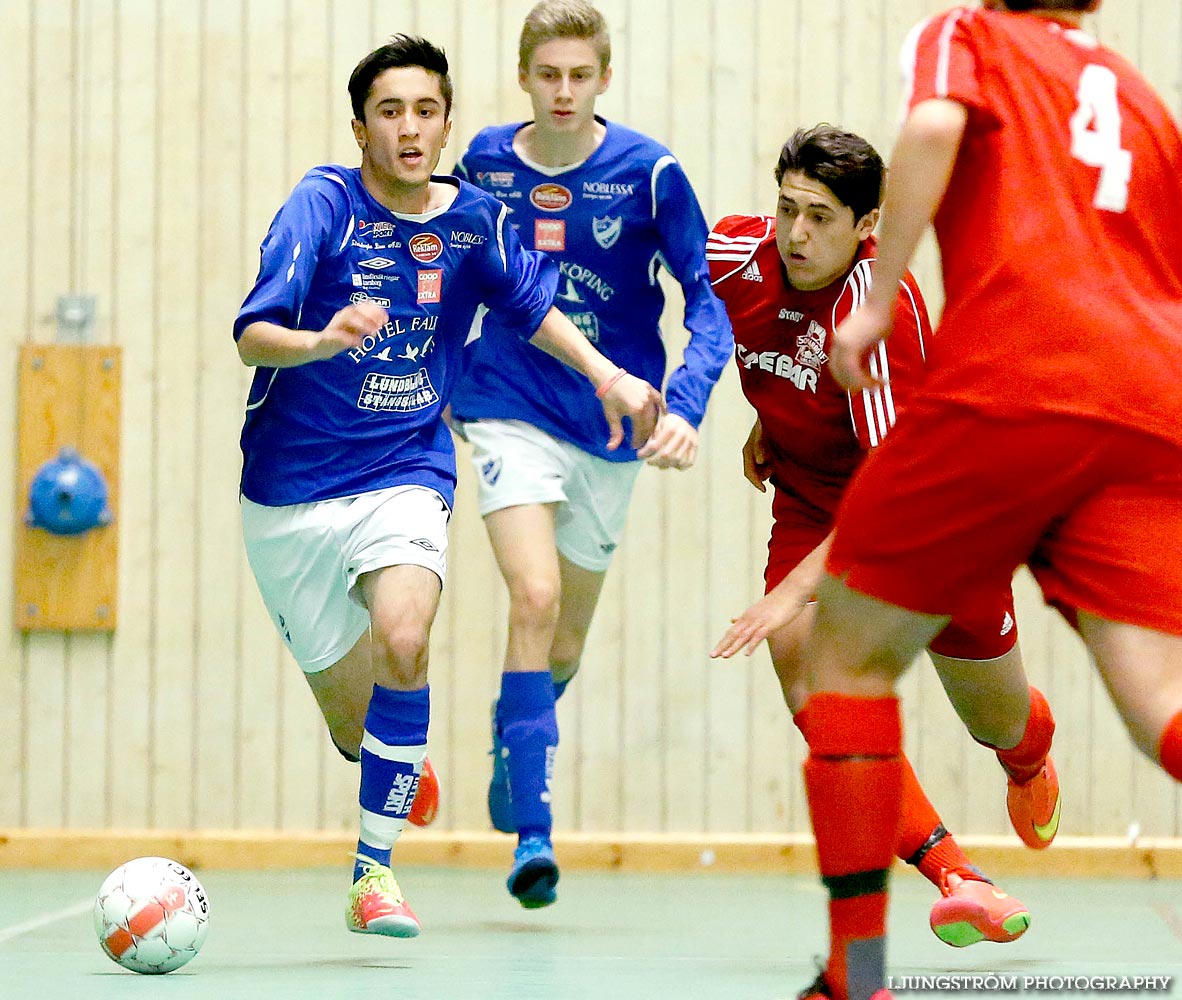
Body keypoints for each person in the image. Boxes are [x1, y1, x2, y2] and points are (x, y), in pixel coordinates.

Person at [233, 34, 662, 939]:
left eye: (426, 110)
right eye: (390, 111)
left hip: (406, 468)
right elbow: (253, 333)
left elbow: (534, 305)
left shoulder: (471, 222)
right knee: (358, 731)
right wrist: (318, 342)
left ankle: (372, 873)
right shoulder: (321, 207)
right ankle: (388, 762)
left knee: (405, 633)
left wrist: (607, 376)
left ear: (447, 121)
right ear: (360, 128)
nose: (410, 128)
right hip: (288, 492)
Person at [794, 3, 1182, 999]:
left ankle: (856, 972)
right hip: (1150, 396)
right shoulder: (1142, 99)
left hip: (1018, 374)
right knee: (1161, 708)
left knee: (839, 651)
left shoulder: (968, 32)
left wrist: (877, 300)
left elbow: (931, 127)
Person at [706, 123, 1061, 951]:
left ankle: (1025, 758)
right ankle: (958, 878)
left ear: (868, 227)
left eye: (822, 217)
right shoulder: (738, 254)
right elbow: (666, 276)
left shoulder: (880, 316)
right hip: (812, 503)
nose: (797, 234)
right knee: (812, 680)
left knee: (998, 719)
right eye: (788, 209)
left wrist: (789, 591)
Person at [450, 0, 733, 908]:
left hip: (613, 427)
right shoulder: (486, 164)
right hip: (505, 403)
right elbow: (445, 267)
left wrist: (684, 406)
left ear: (604, 78)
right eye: (548, 75)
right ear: (523, 77)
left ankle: (512, 736)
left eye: (581, 75)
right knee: (531, 596)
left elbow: (707, 299)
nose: (564, 91)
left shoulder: (650, 174)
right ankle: (533, 831)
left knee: (564, 638)